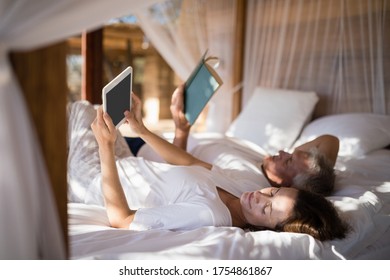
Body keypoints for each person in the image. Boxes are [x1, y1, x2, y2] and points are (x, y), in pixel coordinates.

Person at [67, 91, 349, 241]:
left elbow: (122, 220)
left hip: (97, 179)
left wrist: (105, 146)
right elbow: (190, 161)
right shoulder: (245, 189)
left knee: (78, 109)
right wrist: (141, 128)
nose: (260, 198)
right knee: (97, 109)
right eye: (271, 194)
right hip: (127, 161)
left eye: (267, 209)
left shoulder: (207, 213)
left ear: (271, 230)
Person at [130, 84, 339, 196]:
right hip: (154, 142)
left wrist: (178, 129)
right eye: (290, 154)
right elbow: (331, 140)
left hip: (142, 153)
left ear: (288, 187)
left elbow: (183, 167)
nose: (283, 152)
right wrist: (314, 170)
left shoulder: (247, 183)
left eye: (288, 161)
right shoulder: (266, 161)